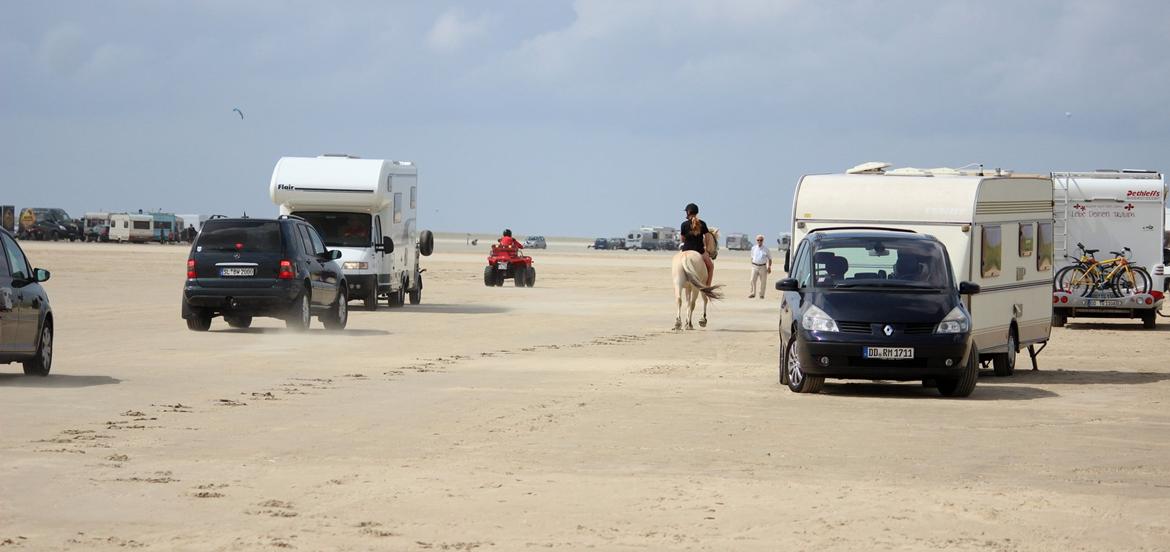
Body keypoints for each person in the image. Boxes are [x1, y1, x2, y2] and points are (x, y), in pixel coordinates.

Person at [680, 203, 714, 287]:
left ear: (688, 212)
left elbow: (682, 239)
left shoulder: (684, 224)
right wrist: (706, 248)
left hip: (686, 250)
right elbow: (707, 237)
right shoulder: (702, 223)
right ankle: (708, 286)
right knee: (710, 266)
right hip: (699, 251)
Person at [748, 234, 772, 298]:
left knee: (763, 282)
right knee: (752, 280)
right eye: (758, 240)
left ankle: (761, 294)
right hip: (755, 266)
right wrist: (752, 264)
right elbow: (752, 257)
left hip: (763, 267)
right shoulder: (753, 248)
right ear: (756, 240)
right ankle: (753, 293)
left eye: (761, 240)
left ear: (763, 240)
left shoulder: (766, 249)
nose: (759, 241)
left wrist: (769, 267)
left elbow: (770, 258)